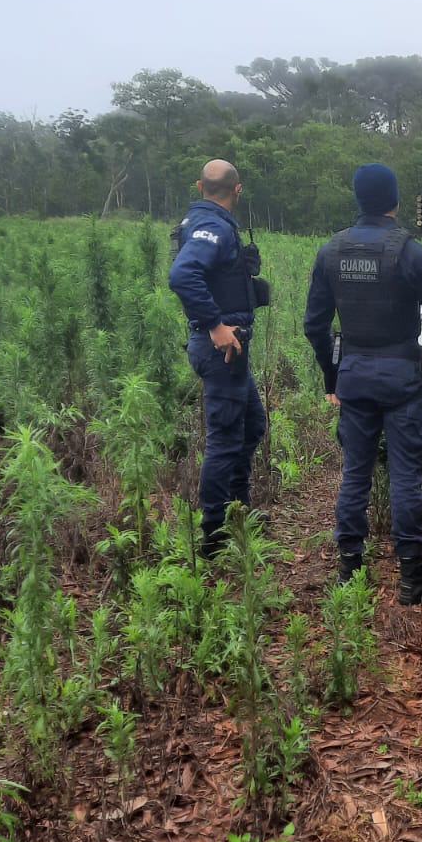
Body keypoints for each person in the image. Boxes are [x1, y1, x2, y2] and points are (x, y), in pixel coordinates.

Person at [303, 163, 422, 603]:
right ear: (394, 201)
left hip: (353, 376)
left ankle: (350, 571)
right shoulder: (411, 252)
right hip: (400, 378)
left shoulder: (330, 251)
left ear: (358, 198)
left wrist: (331, 374)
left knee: (355, 472)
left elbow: (314, 325)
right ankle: (413, 579)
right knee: (406, 475)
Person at [169, 159, 270, 557]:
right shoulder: (210, 226)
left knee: (251, 426)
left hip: (231, 350)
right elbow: (183, 275)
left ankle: (238, 511)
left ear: (200, 186)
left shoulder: (209, 221)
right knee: (226, 440)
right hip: (220, 348)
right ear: (238, 189)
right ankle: (214, 536)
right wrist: (215, 325)